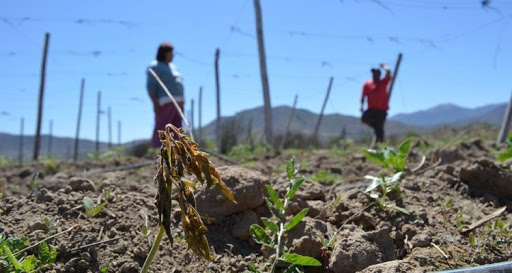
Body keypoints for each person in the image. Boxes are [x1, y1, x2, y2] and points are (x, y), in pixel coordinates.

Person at [146, 42, 184, 148]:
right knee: (163, 127)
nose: (172, 55)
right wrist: (155, 103)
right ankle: (158, 151)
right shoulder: (155, 66)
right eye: (170, 53)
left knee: (177, 128)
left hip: (178, 102)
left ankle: (177, 151)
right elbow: (150, 87)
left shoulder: (173, 67)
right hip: (165, 101)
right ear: (164, 53)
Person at [360, 63, 392, 144]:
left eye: (376, 73)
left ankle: (380, 145)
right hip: (371, 109)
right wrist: (361, 106)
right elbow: (363, 96)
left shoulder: (384, 82)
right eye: (373, 73)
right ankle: (376, 129)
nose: (375, 74)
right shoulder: (367, 84)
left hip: (382, 109)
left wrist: (383, 66)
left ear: (379, 74)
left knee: (380, 129)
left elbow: (388, 71)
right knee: (364, 118)